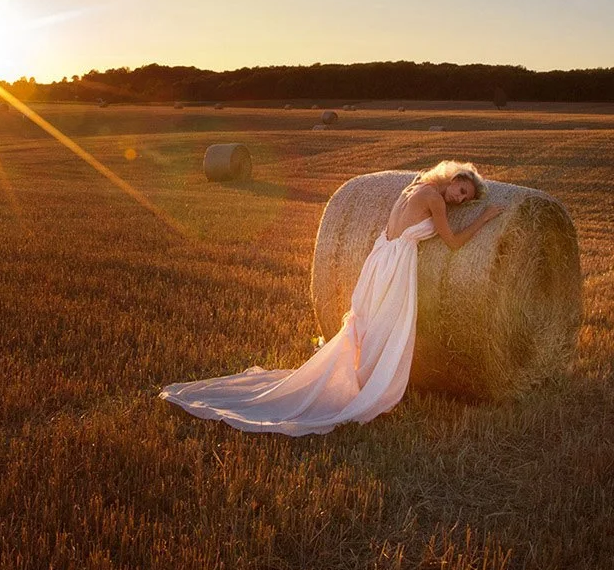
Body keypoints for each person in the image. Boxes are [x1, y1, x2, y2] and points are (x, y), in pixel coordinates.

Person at [160, 160, 504, 436]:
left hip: (380, 258)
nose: (459, 199)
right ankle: (366, 391)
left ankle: (359, 381)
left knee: (373, 324)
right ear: (453, 178)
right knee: (389, 328)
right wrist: (485, 217)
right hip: (396, 264)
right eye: (461, 190)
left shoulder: (417, 187)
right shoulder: (432, 198)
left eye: (466, 199)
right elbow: (454, 243)